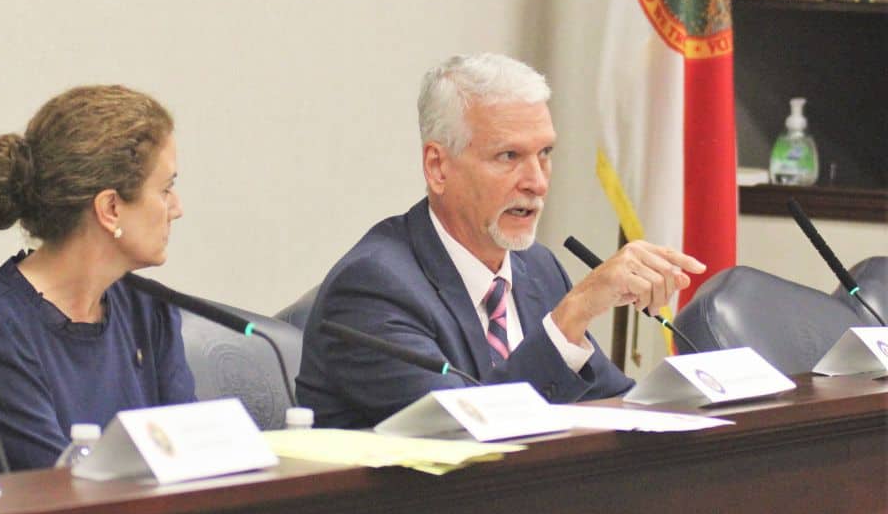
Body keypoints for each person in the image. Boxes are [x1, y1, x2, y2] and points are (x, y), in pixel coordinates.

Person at [297, 52, 705, 429]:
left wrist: (682, 400)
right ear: (437, 166)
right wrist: (573, 315)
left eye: (545, 153)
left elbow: (609, 400)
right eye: (508, 157)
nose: (537, 182)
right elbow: (465, 431)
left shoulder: (537, 269)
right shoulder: (373, 288)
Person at [0, 85, 195, 471]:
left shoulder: (150, 312)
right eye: (166, 189)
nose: (177, 208)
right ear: (111, 208)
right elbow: (60, 492)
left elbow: (190, 464)